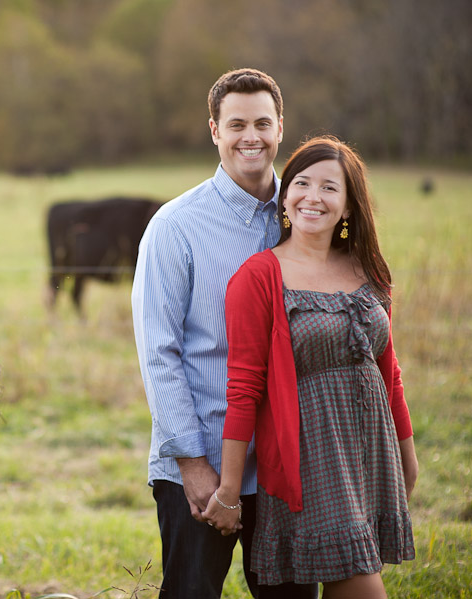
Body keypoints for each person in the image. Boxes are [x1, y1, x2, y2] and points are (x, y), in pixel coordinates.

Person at [203, 135, 418, 598]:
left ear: (348, 206)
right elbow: (243, 388)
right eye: (301, 183)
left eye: (329, 187)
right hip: (312, 458)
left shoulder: (369, 269)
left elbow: (389, 370)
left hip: (369, 451)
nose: (312, 197)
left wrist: (407, 450)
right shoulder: (258, 277)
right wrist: (230, 489)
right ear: (285, 197)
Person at [131, 68, 317, 598]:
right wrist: (193, 465)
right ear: (214, 130)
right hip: (201, 463)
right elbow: (159, 354)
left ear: (281, 127)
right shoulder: (175, 226)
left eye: (263, 122)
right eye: (237, 124)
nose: (251, 136)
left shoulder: (307, 215)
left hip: (285, 465)